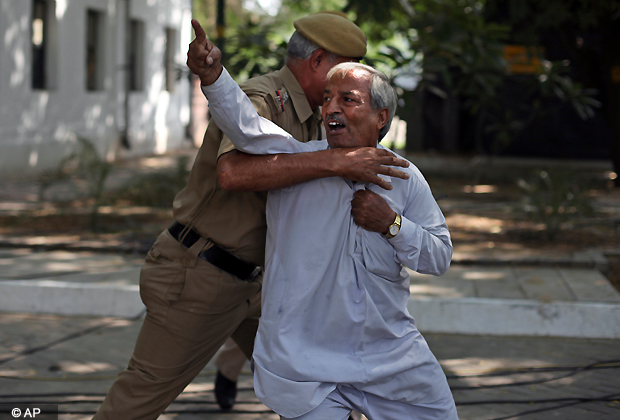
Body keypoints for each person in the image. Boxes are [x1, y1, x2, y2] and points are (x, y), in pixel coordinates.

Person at [92, 13, 411, 420]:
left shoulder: (319, 114)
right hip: (202, 274)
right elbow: (233, 173)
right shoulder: (263, 97)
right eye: (344, 72)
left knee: (313, 388)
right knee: (138, 400)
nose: (348, 86)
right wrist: (336, 162)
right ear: (316, 61)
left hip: (258, 280)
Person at [194, 32, 459, 420]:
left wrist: (393, 224)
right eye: (326, 99)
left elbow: (439, 257)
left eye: (348, 100)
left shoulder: (403, 177)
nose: (330, 109)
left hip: (389, 358)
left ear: (381, 117)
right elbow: (245, 125)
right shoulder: (296, 162)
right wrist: (214, 75)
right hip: (304, 363)